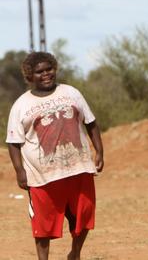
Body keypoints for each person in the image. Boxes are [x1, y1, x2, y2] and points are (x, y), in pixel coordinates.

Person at [6, 52, 104, 260]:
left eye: (49, 69)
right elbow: (14, 142)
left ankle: (75, 253)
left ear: (55, 69)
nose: (45, 74)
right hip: (42, 176)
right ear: (29, 76)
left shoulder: (71, 93)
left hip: (79, 168)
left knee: (83, 217)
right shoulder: (21, 105)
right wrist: (19, 171)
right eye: (39, 71)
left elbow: (91, 122)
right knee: (43, 227)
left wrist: (99, 151)